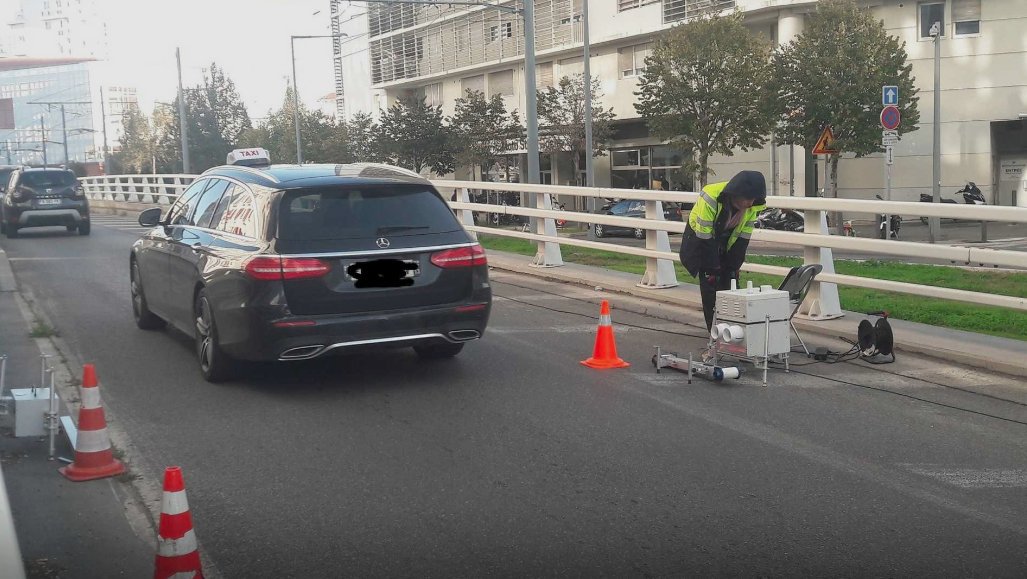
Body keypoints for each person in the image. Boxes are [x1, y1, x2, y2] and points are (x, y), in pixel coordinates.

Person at [678, 170, 767, 332]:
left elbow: (742, 239)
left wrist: (734, 265)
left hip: (726, 240)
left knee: (731, 283)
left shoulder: (753, 207)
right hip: (700, 239)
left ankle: (734, 332)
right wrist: (713, 269)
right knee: (711, 288)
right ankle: (714, 334)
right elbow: (704, 236)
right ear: (736, 193)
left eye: (754, 199)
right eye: (748, 198)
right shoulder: (710, 197)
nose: (750, 203)